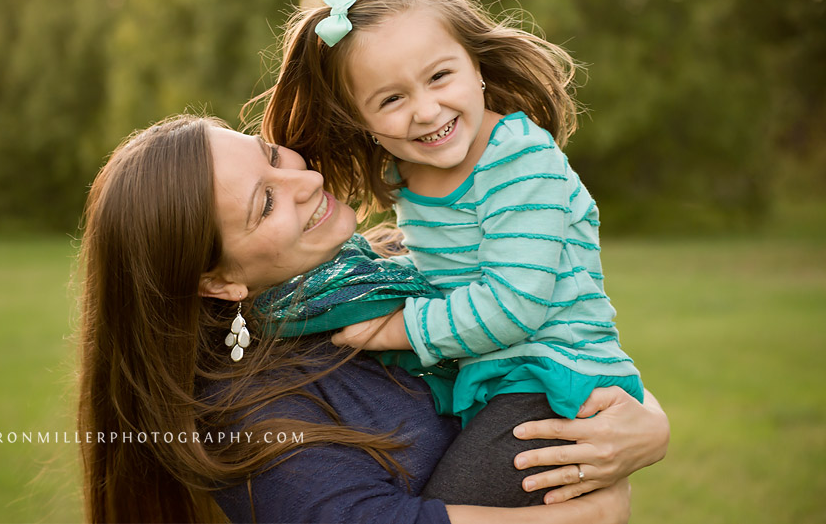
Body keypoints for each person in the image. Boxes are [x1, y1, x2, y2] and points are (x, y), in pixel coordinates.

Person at [77, 114, 668, 523]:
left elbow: (563, 347)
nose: (306, 180)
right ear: (217, 281)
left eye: (273, 156)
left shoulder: (393, 267)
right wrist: (590, 514)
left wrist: (648, 427)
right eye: (266, 201)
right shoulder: (244, 412)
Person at [256, 0, 644, 506]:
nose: (426, 110)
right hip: (497, 377)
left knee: (454, 504)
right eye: (391, 100)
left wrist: (393, 331)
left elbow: (514, 306)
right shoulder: (403, 172)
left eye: (440, 76)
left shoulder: (518, 158)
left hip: (552, 380)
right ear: (361, 121)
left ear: (476, 64)